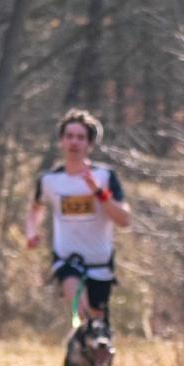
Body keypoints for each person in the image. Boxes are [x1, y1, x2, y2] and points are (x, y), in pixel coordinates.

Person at [25, 108, 130, 324]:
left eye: (81, 137)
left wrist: (98, 193)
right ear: (61, 141)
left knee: (97, 327)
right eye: (69, 136)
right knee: (79, 313)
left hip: (100, 263)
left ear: (89, 144)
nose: (74, 142)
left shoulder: (104, 177)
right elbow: (35, 208)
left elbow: (124, 220)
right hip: (67, 259)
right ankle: (79, 336)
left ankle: (89, 351)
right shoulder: (49, 180)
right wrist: (31, 232)